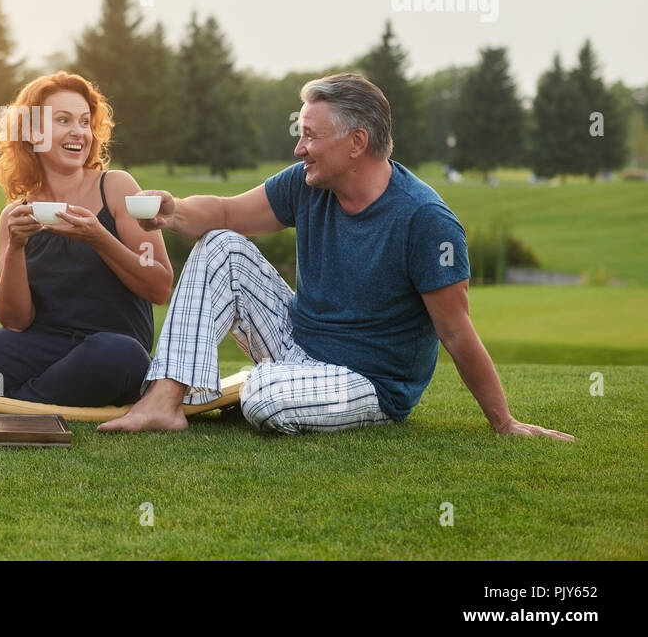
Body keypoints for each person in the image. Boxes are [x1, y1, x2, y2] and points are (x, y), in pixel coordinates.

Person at [100, 72, 573, 440]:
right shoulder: (307, 182)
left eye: (309, 135)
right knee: (221, 244)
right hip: (300, 344)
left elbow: (455, 329)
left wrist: (504, 421)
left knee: (264, 398)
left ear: (357, 142)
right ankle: (164, 402)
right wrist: (174, 210)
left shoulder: (425, 220)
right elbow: (226, 212)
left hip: (370, 382)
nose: (298, 147)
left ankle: (271, 384)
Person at [0, 72, 173, 408]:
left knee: (121, 357)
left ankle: (17, 403)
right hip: (40, 346)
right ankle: (41, 396)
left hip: (109, 346)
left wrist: (98, 237)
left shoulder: (117, 188)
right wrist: (15, 249)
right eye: (63, 120)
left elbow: (159, 287)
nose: (79, 131)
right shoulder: (14, 216)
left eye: (84, 121)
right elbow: (15, 321)